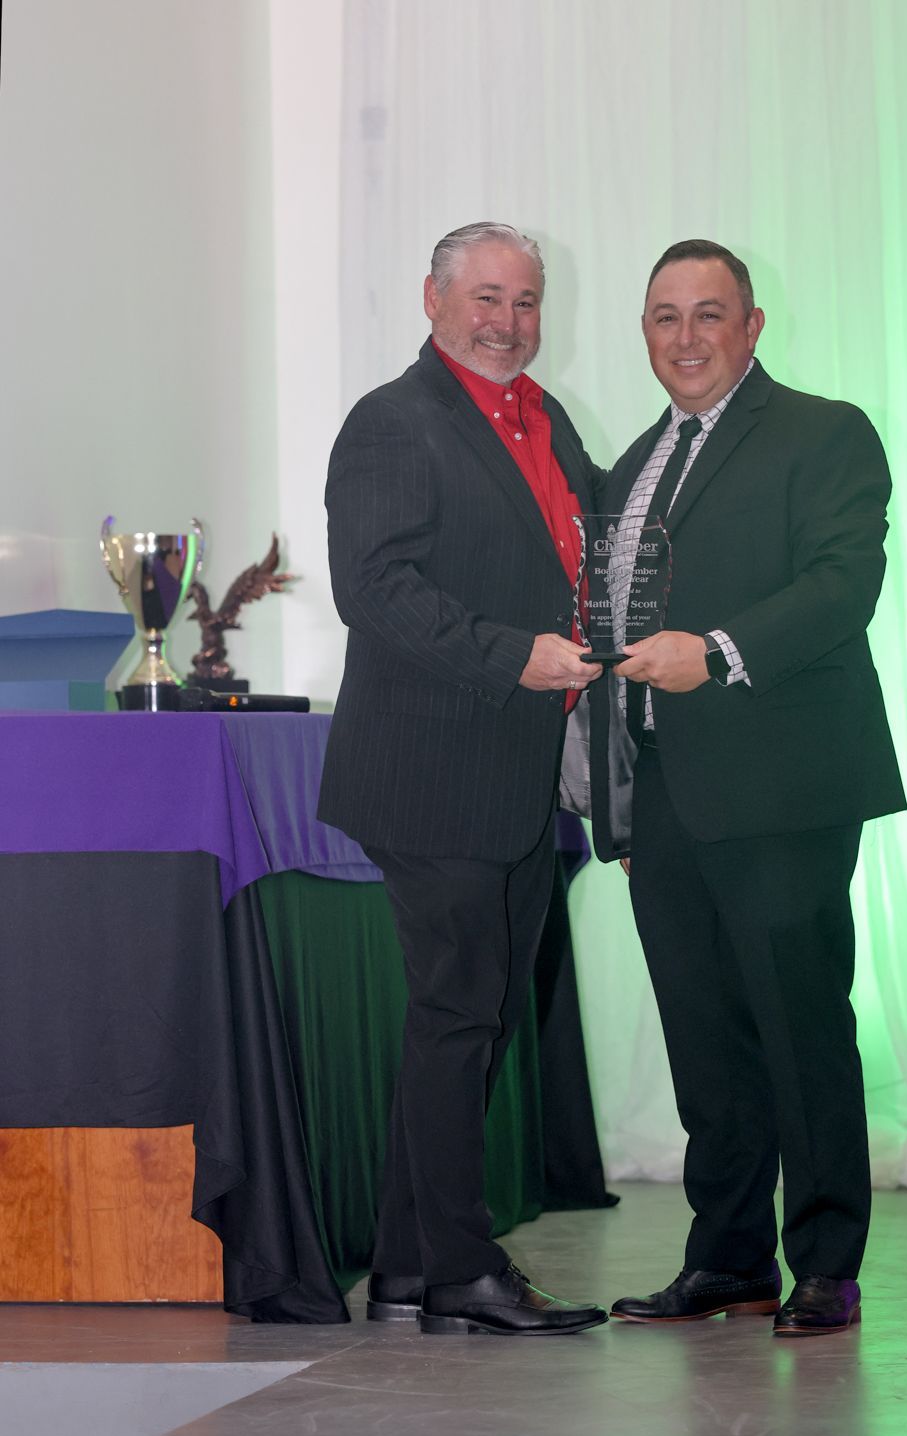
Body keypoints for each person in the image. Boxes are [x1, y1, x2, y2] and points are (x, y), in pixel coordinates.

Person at [593, 239, 906, 1336]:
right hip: (664, 791)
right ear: (644, 332)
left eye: (708, 314)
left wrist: (718, 652)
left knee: (800, 1026)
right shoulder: (630, 466)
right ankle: (728, 1258)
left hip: (785, 787)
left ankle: (825, 1263)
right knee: (704, 1040)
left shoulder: (825, 432)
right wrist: (613, 791)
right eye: (665, 317)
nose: (686, 338)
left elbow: (843, 584)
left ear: (752, 325)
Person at [318, 222, 606, 1337]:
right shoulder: (392, 421)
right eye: (486, 297)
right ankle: (462, 1273)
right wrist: (511, 656)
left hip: (517, 775)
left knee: (474, 1019)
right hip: (430, 770)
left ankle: (407, 1269)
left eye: (525, 301)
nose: (507, 321)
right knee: (458, 1015)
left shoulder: (546, 417)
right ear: (433, 300)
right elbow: (374, 588)